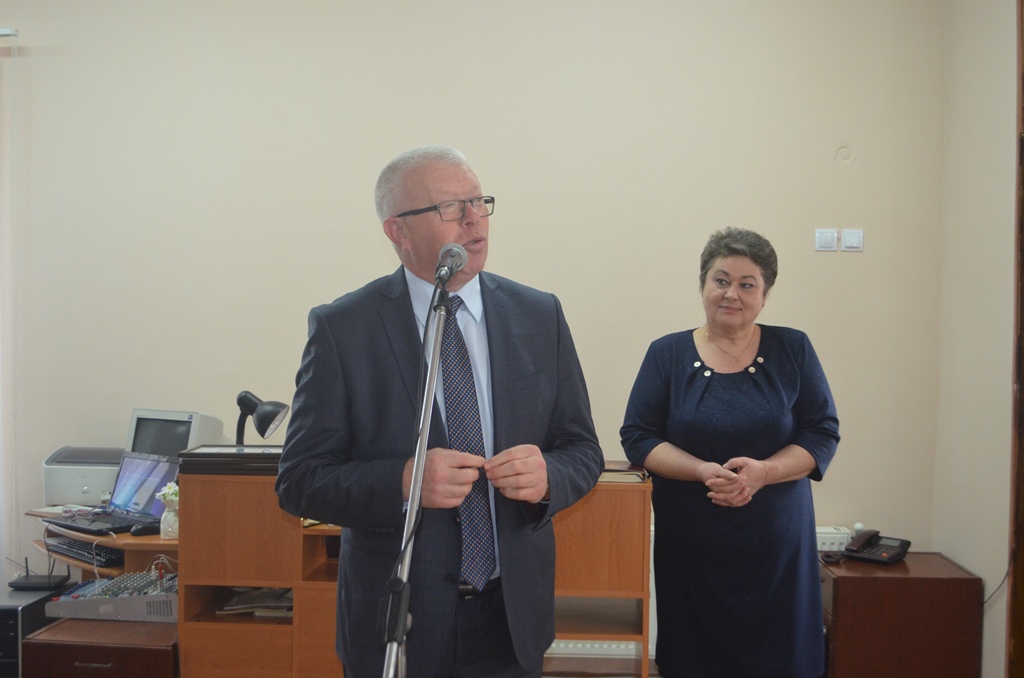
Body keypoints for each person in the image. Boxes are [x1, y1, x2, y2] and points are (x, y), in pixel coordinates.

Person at [275, 145, 603, 678]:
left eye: (479, 201)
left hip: (511, 617)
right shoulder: (345, 329)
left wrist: (549, 476)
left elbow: (582, 450)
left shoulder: (539, 315)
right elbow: (300, 481)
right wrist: (405, 481)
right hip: (398, 620)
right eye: (450, 207)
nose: (474, 219)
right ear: (397, 232)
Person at [620, 227, 839, 678]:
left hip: (777, 545)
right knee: (695, 659)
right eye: (721, 280)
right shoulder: (666, 354)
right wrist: (702, 469)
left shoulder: (792, 348)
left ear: (765, 294)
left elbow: (822, 432)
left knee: (781, 660)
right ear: (703, 285)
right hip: (691, 546)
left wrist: (765, 471)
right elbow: (638, 436)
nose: (731, 294)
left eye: (747, 284)